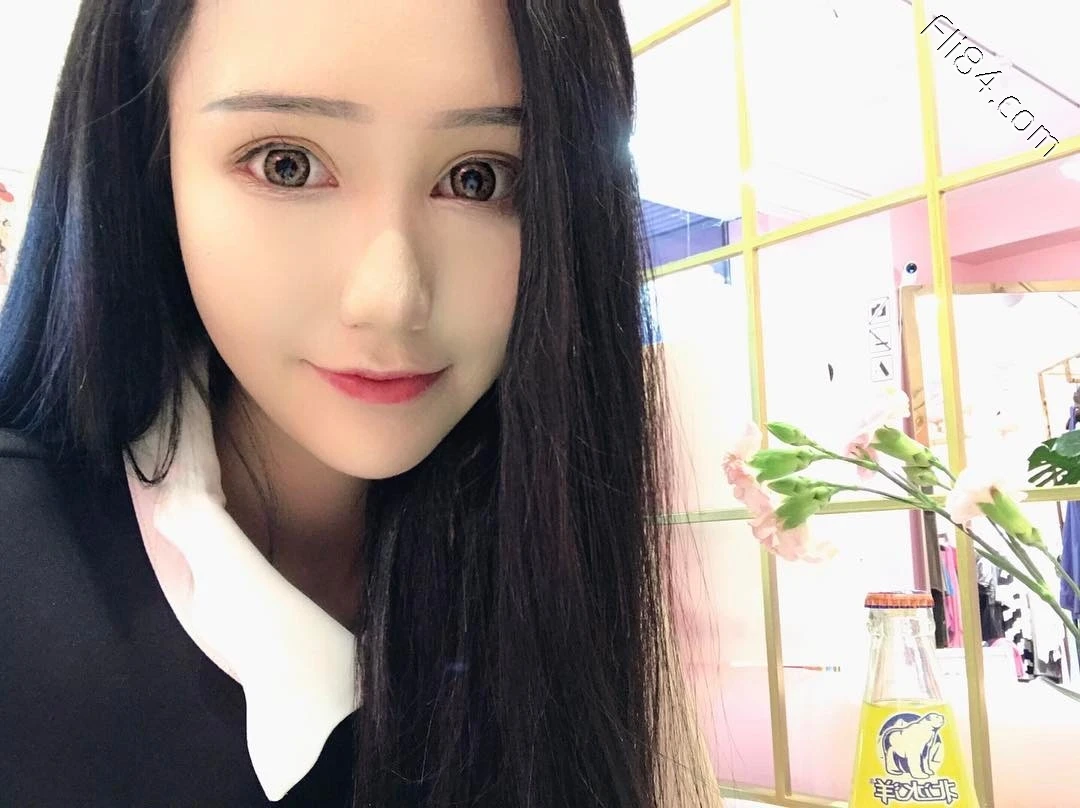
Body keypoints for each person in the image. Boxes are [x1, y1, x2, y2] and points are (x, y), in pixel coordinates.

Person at [0, 1, 722, 806]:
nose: (391, 298)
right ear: (146, 162)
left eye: (480, 178)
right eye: (287, 164)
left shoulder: (561, 568)